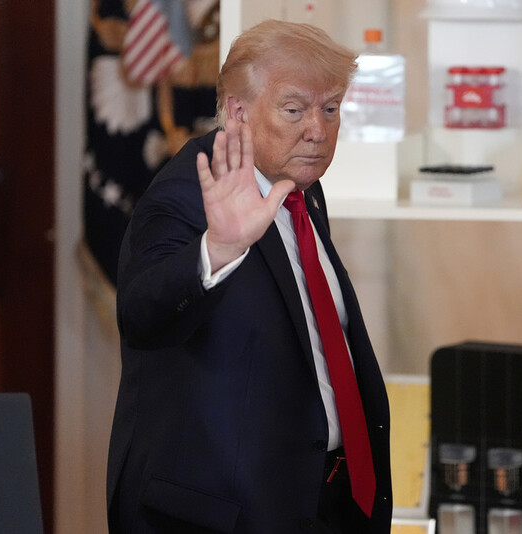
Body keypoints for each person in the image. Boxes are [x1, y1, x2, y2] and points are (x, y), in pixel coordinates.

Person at [106, 19, 393, 534]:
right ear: (238, 111)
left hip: (318, 498)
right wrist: (218, 250)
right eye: (294, 109)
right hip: (222, 515)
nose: (318, 130)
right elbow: (141, 315)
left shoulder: (298, 184)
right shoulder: (186, 194)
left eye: (331, 109)